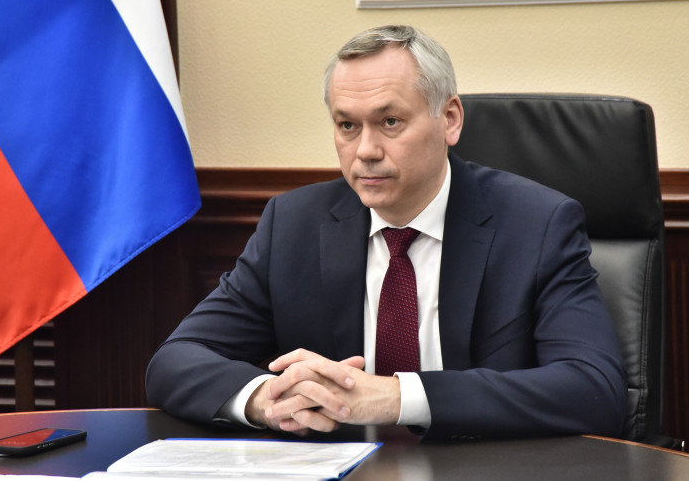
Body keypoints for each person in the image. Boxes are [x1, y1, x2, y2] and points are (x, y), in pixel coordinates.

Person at [145, 25, 627, 441]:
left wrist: (396, 397)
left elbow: (594, 389)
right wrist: (268, 399)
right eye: (347, 125)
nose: (366, 151)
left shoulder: (537, 224)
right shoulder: (293, 225)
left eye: (390, 122)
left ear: (450, 120)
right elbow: (175, 361)